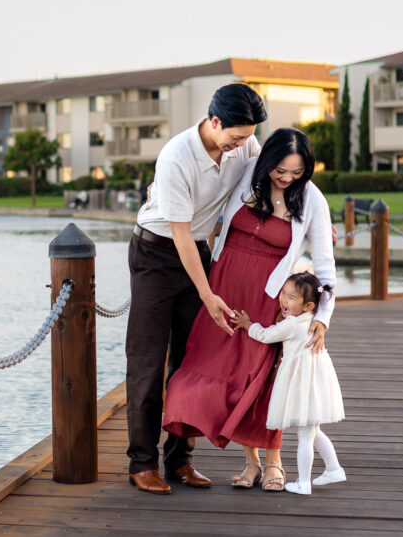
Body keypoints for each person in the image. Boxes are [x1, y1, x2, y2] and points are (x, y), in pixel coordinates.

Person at [162, 127, 335, 492]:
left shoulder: (312, 200)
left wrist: (321, 318)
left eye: (297, 172)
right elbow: (201, 186)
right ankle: (251, 462)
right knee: (216, 371)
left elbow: (325, 267)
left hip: (269, 300)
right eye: (281, 171)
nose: (287, 178)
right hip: (223, 293)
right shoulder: (247, 171)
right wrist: (158, 189)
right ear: (268, 161)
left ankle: (274, 462)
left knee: (261, 380)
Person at [126, 83, 267, 495]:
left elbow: (275, 178)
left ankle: (180, 460)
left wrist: (316, 216)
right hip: (156, 255)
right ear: (214, 121)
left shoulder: (245, 142)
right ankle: (141, 463)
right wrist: (207, 294)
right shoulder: (176, 157)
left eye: (248, 137)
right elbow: (181, 235)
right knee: (148, 362)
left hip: (197, 253)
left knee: (192, 362)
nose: (242, 145)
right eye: (236, 137)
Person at [235, 271, 345, 495]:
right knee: (313, 430)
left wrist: (247, 325)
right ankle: (334, 468)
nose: (284, 299)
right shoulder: (312, 322)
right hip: (316, 380)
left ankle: (304, 482)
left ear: (308, 305)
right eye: (283, 293)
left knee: (306, 434)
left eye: (291, 297)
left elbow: (266, 335)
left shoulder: (292, 324)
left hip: (302, 382)